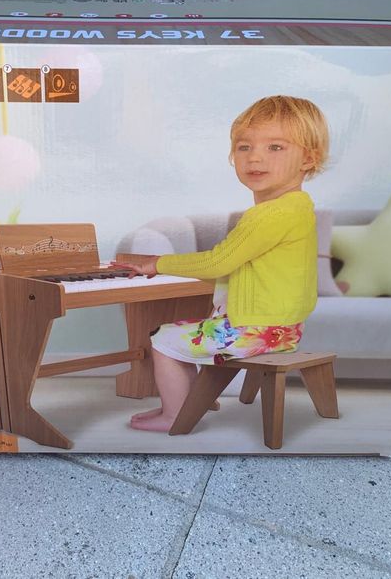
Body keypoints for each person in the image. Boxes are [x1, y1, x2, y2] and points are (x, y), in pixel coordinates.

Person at [111, 95, 330, 432]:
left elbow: (218, 262)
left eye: (275, 147)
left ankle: (175, 414)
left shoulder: (268, 215)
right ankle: (194, 398)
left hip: (253, 331)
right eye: (244, 147)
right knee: (193, 327)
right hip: (286, 329)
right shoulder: (299, 207)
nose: (254, 157)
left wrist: (157, 264)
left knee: (163, 337)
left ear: (309, 159)